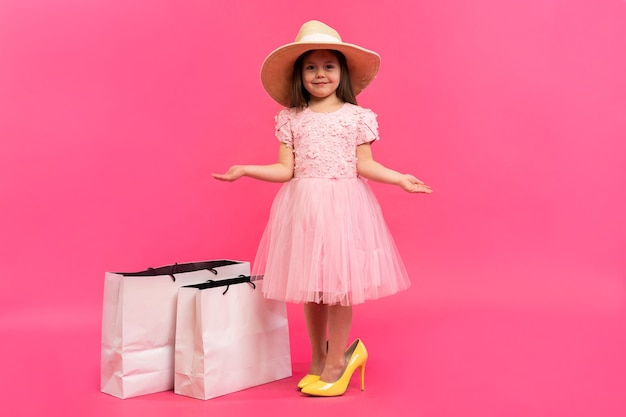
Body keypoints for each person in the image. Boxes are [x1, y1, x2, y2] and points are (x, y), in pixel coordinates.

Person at [213, 20, 432, 397]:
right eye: (311, 67)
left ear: (341, 72)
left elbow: (364, 164)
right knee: (311, 286)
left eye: (328, 66)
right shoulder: (291, 118)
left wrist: (399, 178)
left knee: (339, 287)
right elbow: (286, 169)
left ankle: (338, 361)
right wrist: (246, 169)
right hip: (305, 208)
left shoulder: (356, 117)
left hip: (344, 206)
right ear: (300, 75)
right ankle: (317, 358)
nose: (320, 74)